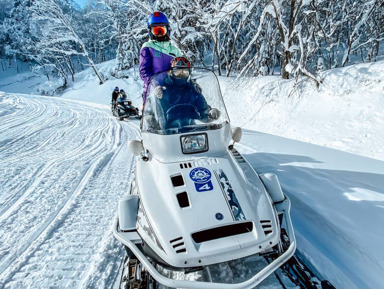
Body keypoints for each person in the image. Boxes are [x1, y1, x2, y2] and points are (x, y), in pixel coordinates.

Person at [153, 57, 220, 130]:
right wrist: (150, 119)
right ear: (171, 72)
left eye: (184, 72)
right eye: (177, 72)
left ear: (189, 73)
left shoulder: (193, 90)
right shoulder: (163, 90)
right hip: (168, 133)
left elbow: (203, 110)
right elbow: (154, 112)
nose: (180, 75)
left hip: (191, 130)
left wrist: (210, 113)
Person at [139, 11, 181, 104]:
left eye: (161, 30)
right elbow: (144, 71)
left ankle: (206, 111)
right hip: (153, 93)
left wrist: (191, 83)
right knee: (152, 117)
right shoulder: (147, 47)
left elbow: (183, 69)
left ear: (167, 30)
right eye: (156, 31)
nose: (159, 34)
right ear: (150, 32)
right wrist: (155, 85)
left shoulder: (174, 50)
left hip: (172, 92)